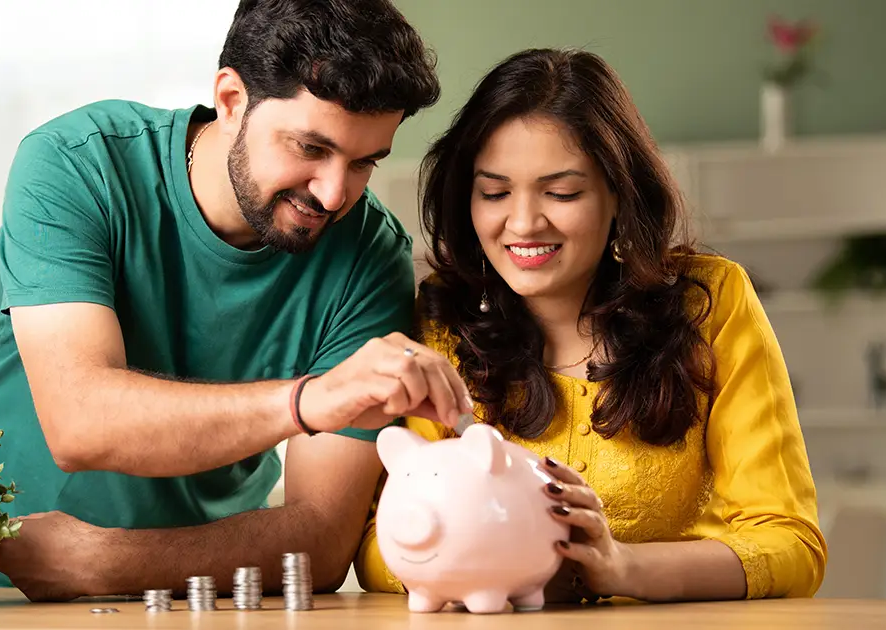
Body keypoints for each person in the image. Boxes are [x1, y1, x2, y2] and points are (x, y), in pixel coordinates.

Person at [0, 0, 475, 601]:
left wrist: (107, 563)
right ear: (232, 100)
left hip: (196, 600)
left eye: (364, 162)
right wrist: (309, 402)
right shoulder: (77, 163)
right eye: (310, 148)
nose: (334, 192)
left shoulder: (370, 254)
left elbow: (320, 540)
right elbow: (81, 422)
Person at [354, 48, 827, 604]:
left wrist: (623, 568)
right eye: (495, 192)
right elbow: (379, 548)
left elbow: (790, 543)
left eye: (562, 192)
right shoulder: (441, 317)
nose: (524, 223)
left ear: (619, 193)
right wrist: (501, 559)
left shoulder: (710, 303)